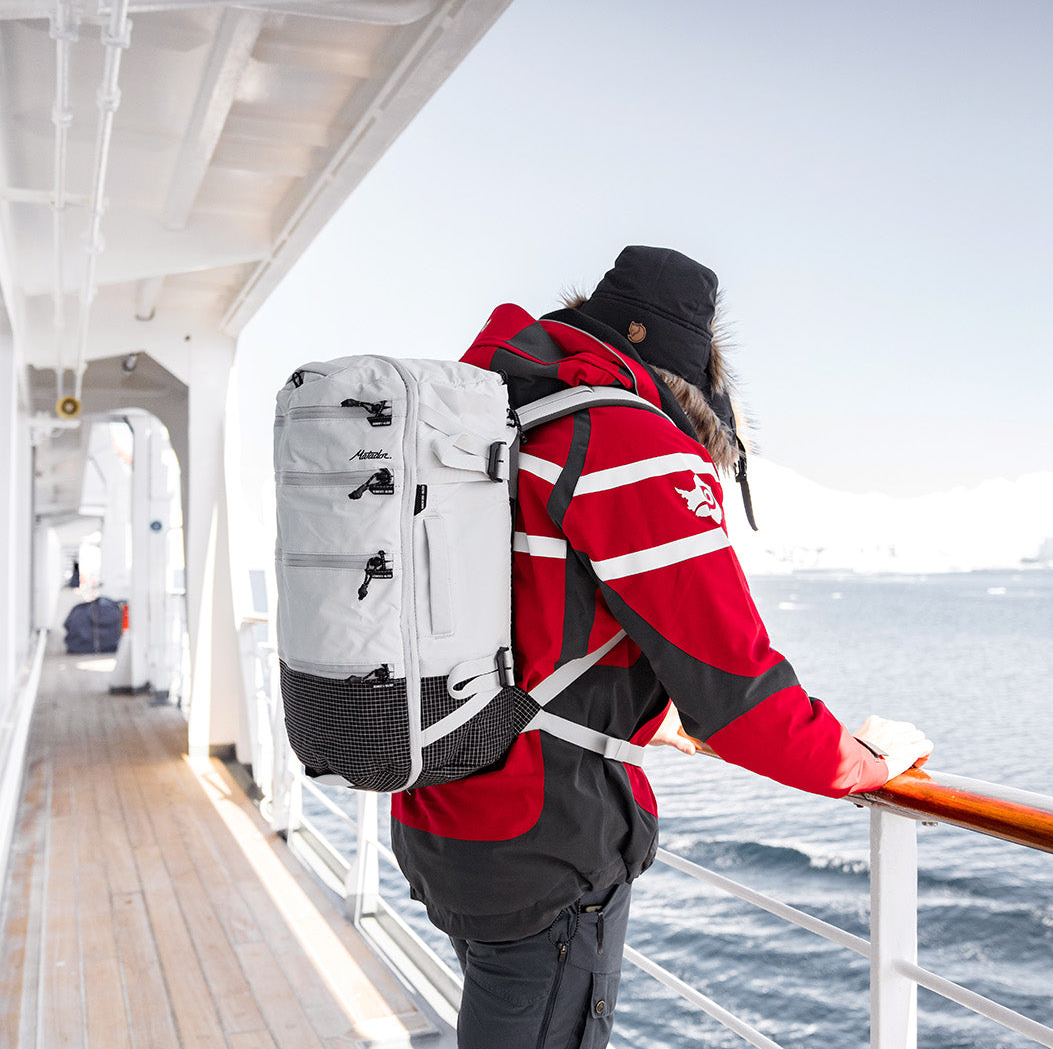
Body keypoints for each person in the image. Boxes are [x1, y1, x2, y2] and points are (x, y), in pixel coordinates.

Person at [390, 246, 932, 1048]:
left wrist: (643, 711)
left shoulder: (491, 426)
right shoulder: (624, 443)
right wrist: (864, 761)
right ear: (695, 374)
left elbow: (529, 616)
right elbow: (740, 696)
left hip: (440, 806)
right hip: (545, 838)